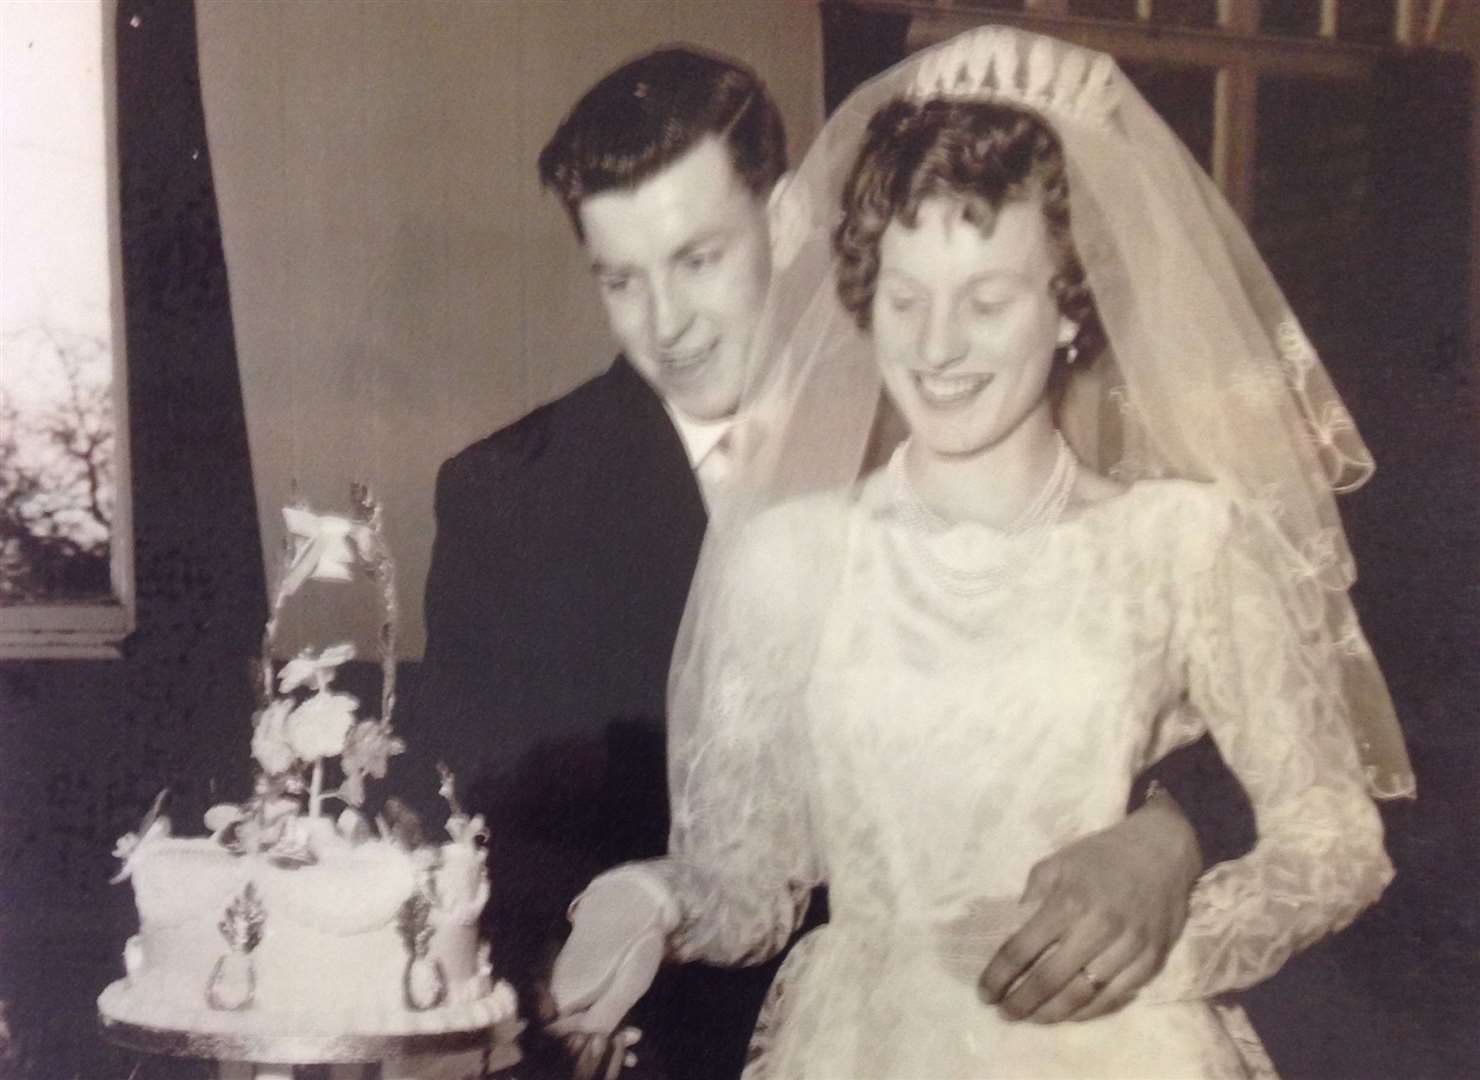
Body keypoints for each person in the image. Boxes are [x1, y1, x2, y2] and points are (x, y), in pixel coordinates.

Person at [544, 26, 1416, 1080]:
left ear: (1066, 309)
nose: (937, 346)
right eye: (905, 299)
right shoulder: (789, 557)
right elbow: (750, 888)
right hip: (864, 1048)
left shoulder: (1184, 543)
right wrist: (658, 899)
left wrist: (1158, 951)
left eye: (987, 299)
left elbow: (1332, 839)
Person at [417, 44, 1253, 1080]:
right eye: (619, 280)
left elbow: (1225, 702)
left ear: (784, 222)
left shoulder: (954, 401)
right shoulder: (507, 493)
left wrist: (1175, 827)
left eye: (698, 260)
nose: (666, 326)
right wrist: (570, 973)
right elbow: (487, 823)